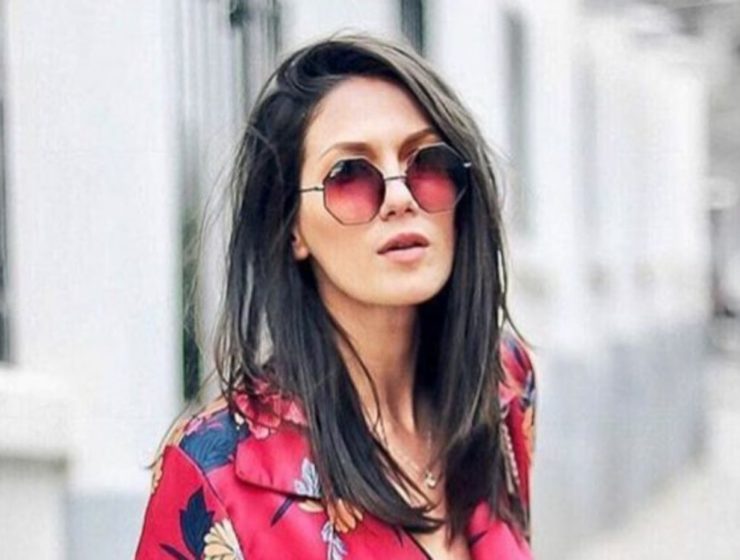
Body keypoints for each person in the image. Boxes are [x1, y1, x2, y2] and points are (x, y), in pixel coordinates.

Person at [135, 33, 536, 560]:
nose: (400, 197)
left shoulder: (501, 383)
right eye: (349, 175)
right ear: (293, 228)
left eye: (427, 164)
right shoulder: (216, 472)